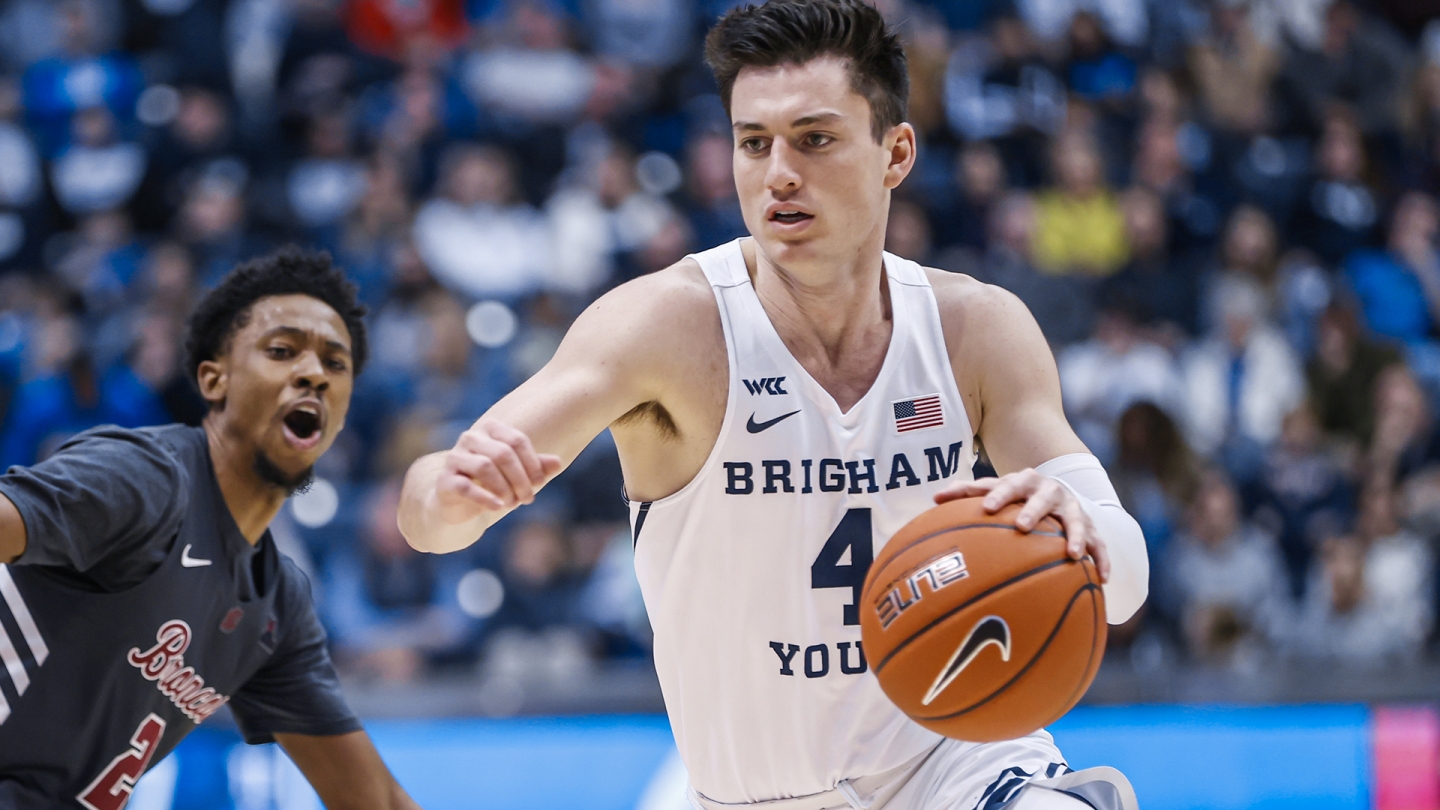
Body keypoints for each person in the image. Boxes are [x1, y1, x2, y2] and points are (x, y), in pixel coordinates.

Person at [399, 2, 1148, 808]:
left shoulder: (977, 329)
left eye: (814, 139)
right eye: (753, 143)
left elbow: (1129, 580)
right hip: (754, 793)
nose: (778, 173)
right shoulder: (669, 326)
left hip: (952, 761)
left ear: (896, 152)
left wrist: (1080, 530)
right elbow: (427, 517)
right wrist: (452, 493)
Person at [0, 249, 418, 809]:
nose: (313, 373)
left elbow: (376, 801)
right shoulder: (146, 479)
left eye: (335, 364)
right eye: (281, 351)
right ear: (214, 379)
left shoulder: (278, 606)